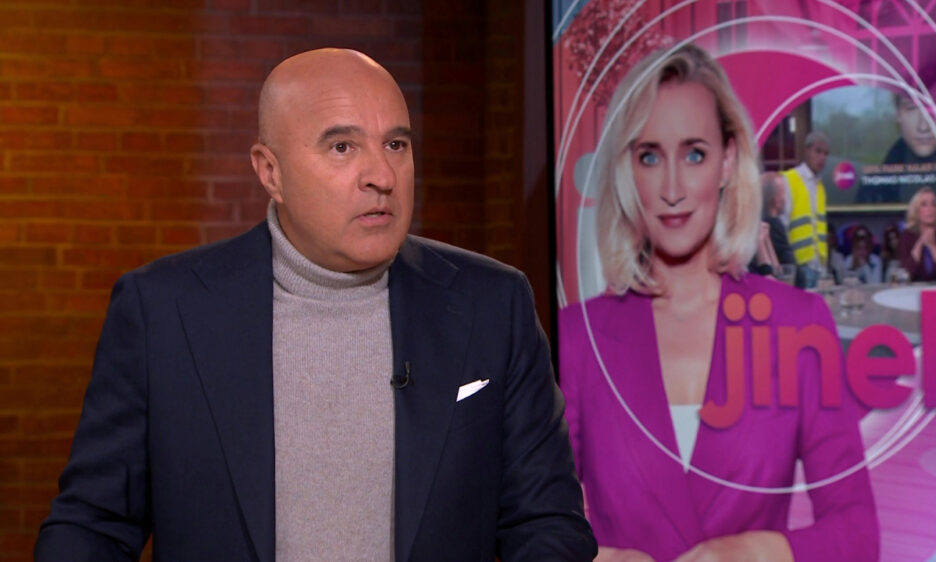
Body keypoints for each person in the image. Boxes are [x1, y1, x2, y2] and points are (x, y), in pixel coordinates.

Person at [35, 48, 596, 562]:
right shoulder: (162, 311)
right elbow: (91, 526)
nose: (381, 177)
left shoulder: (493, 304)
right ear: (270, 172)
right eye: (342, 146)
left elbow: (547, 524)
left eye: (396, 145)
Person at [559, 45, 878, 562]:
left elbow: (858, 533)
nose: (672, 188)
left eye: (694, 154)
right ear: (626, 170)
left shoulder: (798, 324)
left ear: (728, 161)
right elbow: (528, 529)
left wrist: (760, 553)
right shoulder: (576, 339)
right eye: (649, 156)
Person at [780, 131, 831, 288]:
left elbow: (819, 229)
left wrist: (824, 269)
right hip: (798, 266)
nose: (822, 158)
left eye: (826, 154)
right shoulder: (789, 180)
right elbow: (782, 226)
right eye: (818, 151)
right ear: (806, 151)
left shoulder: (820, 186)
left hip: (818, 268)